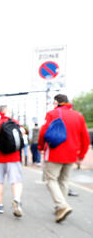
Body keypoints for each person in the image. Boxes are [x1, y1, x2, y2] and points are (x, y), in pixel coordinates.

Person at [38, 94, 90, 223]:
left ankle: (62, 206)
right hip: (72, 154)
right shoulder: (78, 116)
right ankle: (59, 207)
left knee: (51, 180)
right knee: (64, 181)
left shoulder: (52, 114)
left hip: (55, 153)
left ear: (56, 102)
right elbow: (85, 137)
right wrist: (81, 154)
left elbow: (43, 132)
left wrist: (40, 146)